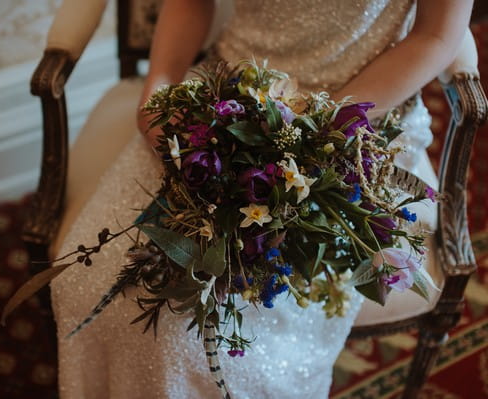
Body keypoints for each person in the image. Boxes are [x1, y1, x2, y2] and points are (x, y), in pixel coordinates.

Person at [51, 1, 473, 397]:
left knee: (204, 342)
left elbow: (436, 36)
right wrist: (158, 90)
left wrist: (318, 126)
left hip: (356, 115)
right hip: (227, 95)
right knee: (86, 287)